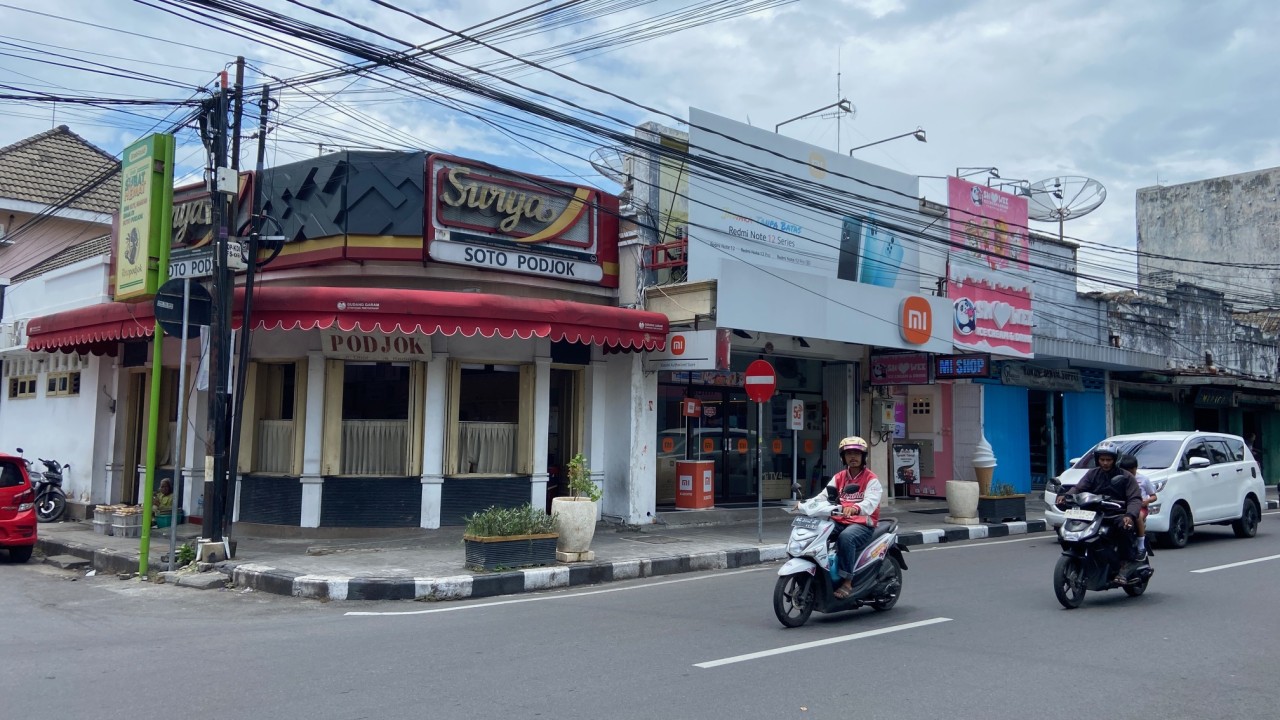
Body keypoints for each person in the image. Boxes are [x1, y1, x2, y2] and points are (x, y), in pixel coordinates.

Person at [794, 436, 883, 600]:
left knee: (846, 537)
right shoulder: (839, 477)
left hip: (863, 523)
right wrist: (803, 504)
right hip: (840, 520)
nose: (853, 457)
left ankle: (847, 581)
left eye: (857, 453)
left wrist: (855, 508)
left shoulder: (872, 480)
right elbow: (822, 497)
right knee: (815, 533)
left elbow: (870, 503)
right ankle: (820, 572)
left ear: (864, 457)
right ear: (843, 457)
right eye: (849, 454)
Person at [1056, 441, 1142, 582]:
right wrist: (1066, 497)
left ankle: (1127, 563)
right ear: (1097, 460)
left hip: (1116, 514)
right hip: (1094, 514)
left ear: (1115, 460)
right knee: (1067, 529)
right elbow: (1079, 488)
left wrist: (1129, 515)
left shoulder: (1126, 477)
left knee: (1123, 527)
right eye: (1102, 460)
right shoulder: (1092, 474)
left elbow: (1135, 499)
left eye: (1108, 460)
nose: (1105, 463)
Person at [1118, 454, 1157, 561]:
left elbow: (1154, 496)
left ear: (1136, 468)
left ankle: (1141, 545)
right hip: (1124, 507)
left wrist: (1147, 501)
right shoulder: (1120, 479)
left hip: (1140, 508)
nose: (1130, 475)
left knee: (1137, 515)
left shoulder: (1143, 479)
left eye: (1132, 471)